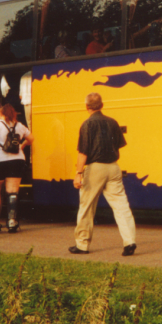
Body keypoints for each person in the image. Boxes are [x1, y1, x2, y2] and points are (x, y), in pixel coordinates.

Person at [69, 92, 137, 256]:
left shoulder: (87, 124)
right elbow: (119, 144)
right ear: (102, 105)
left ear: (87, 107)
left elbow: (83, 151)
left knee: (87, 207)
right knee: (121, 206)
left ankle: (82, 245)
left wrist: (78, 173)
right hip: (113, 167)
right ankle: (130, 241)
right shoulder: (112, 122)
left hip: (95, 168)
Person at [0, 103, 34, 233]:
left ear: (0, 113)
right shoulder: (19, 126)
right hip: (17, 161)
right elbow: (31, 139)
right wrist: (21, 146)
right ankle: (12, 221)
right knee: (12, 192)